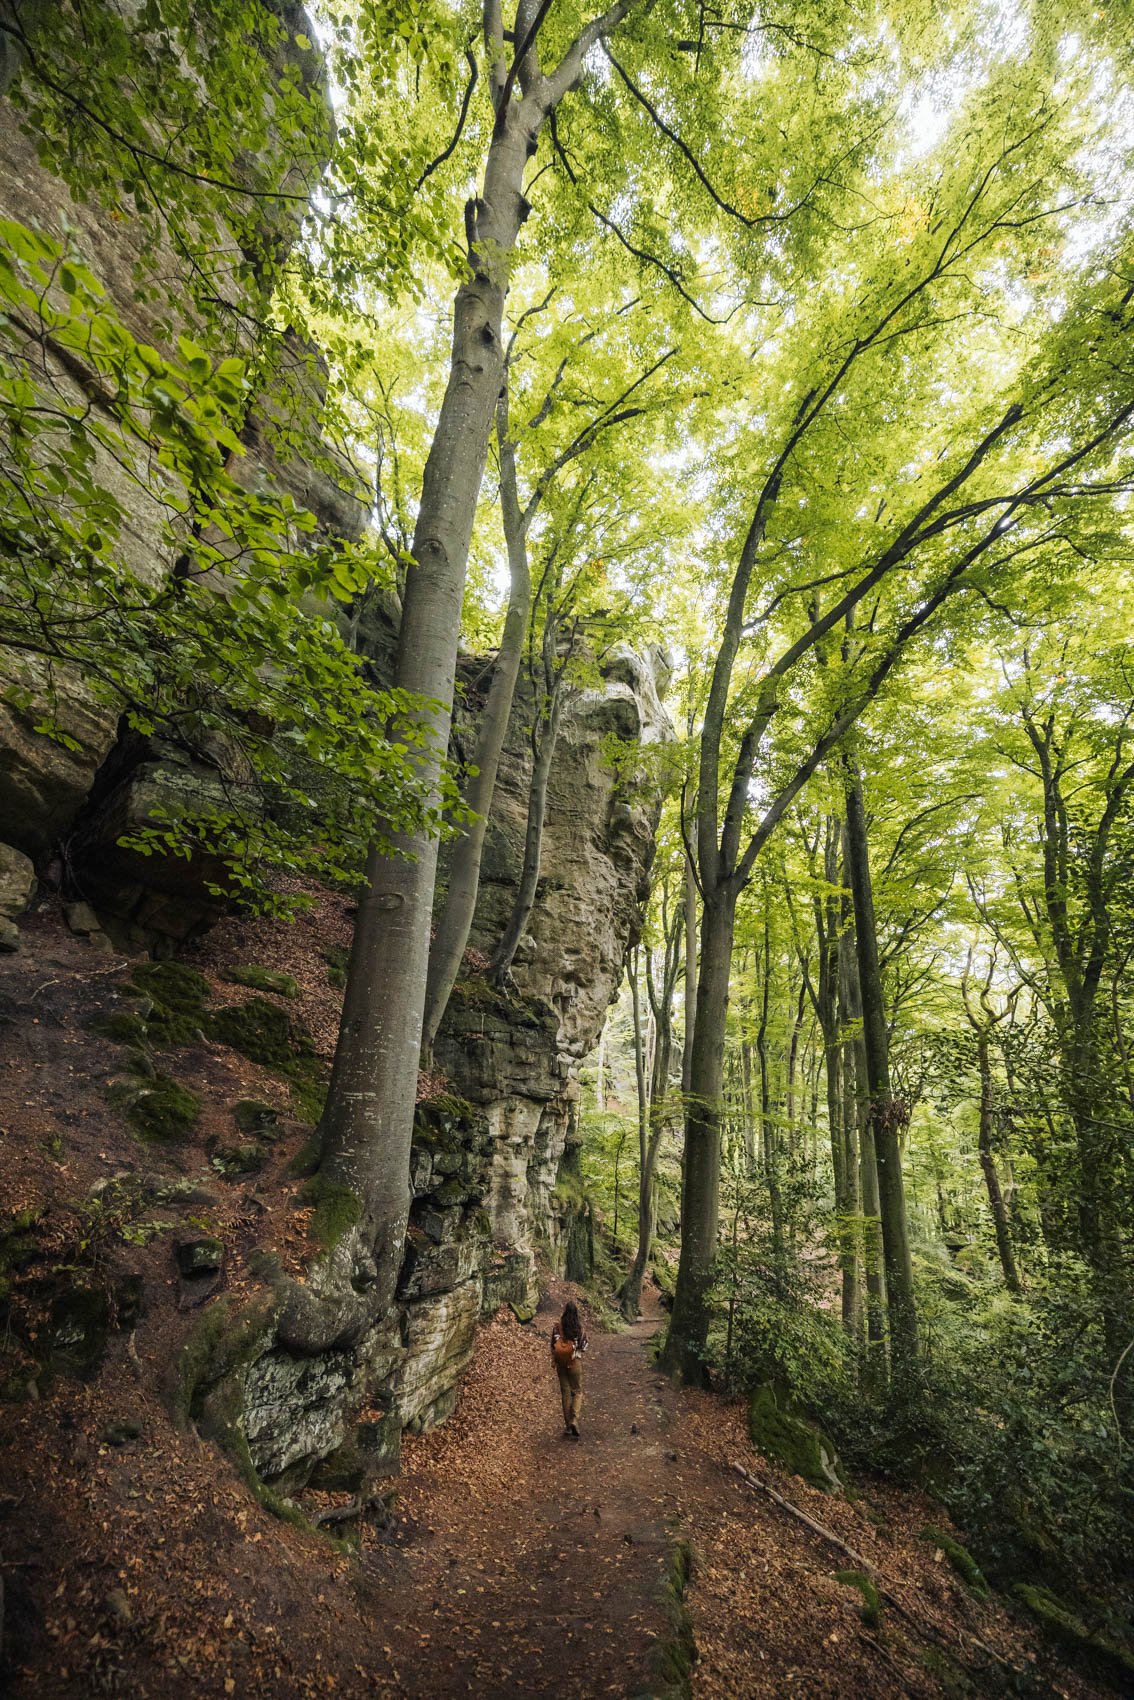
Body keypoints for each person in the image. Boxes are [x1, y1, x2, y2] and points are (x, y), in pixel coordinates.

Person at [550, 1299, 588, 1439]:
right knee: (577, 1391)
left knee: (565, 1393)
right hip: (575, 1363)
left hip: (561, 1364)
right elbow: (584, 1346)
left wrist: (555, 1358)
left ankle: (567, 1426)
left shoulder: (557, 1328)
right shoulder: (579, 1328)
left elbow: (553, 1345)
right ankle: (574, 1420)